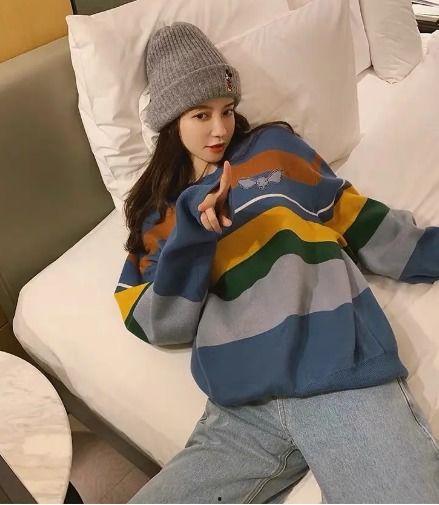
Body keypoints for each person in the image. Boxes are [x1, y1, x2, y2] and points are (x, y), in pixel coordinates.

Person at [114, 21, 439, 504]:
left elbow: (364, 224)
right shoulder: (160, 214)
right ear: (171, 121)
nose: (220, 128)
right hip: (240, 408)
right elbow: (158, 322)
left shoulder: (275, 150)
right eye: (200, 115)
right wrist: (194, 236)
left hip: (335, 370)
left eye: (227, 110)